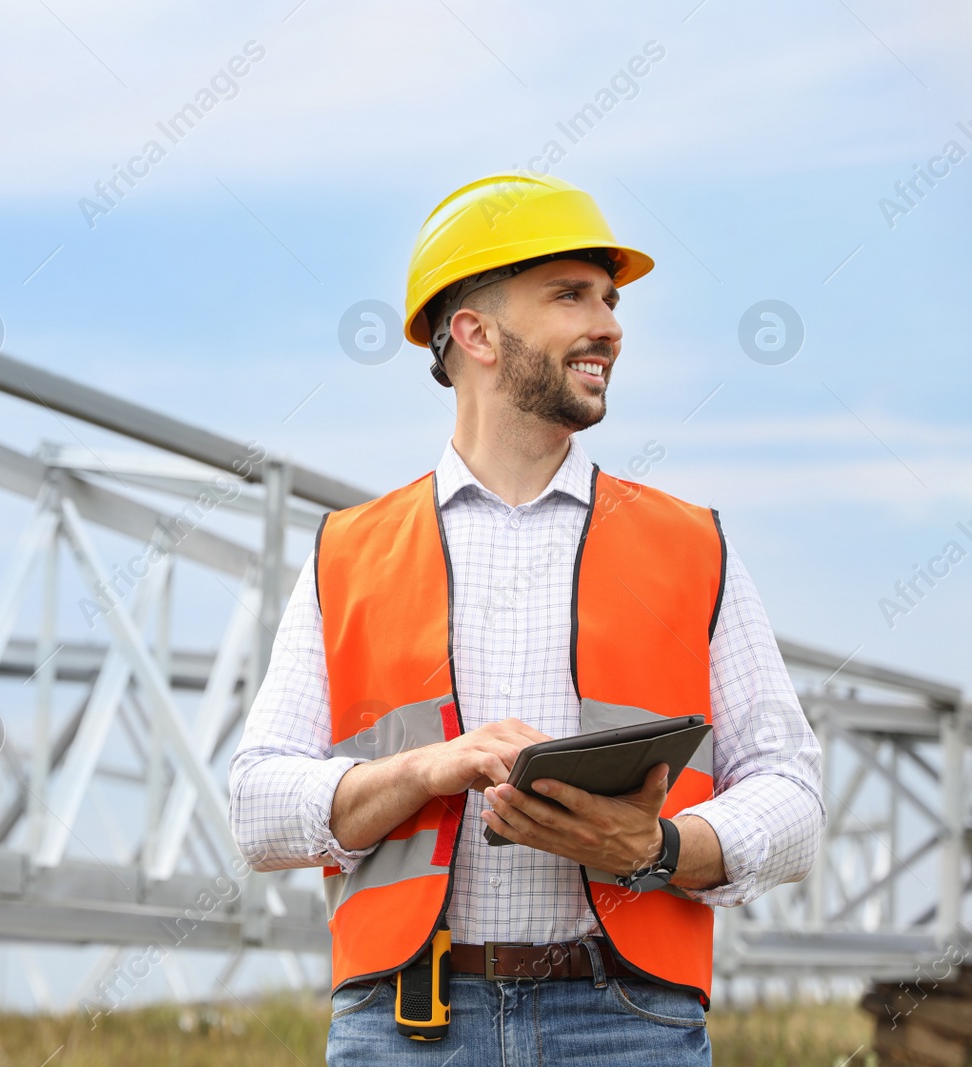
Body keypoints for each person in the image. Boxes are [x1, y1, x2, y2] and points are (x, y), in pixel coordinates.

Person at [227, 172, 825, 1065]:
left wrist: (661, 847)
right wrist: (424, 768)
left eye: (611, 299)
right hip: (407, 1021)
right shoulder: (346, 553)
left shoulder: (692, 545)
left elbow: (795, 796)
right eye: (570, 295)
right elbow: (255, 808)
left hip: (627, 1022)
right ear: (473, 333)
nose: (611, 325)